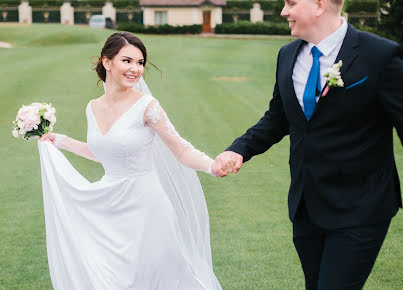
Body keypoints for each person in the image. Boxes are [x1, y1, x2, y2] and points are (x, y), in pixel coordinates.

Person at [212, 0, 402, 289]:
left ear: (318, 5)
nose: (283, 12)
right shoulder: (287, 55)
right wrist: (238, 148)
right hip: (306, 206)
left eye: (290, 3)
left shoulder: (379, 56)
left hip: (361, 208)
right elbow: (278, 118)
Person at [38, 32, 221, 289]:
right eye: (127, 61)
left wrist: (212, 165)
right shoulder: (92, 107)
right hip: (110, 203)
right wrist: (59, 141)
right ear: (107, 62)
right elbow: (102, 152)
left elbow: (180, 149)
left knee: (152, 278)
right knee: (112, 277)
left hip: (146, 207)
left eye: (140, 62)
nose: (135, 69)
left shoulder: (147, 106)